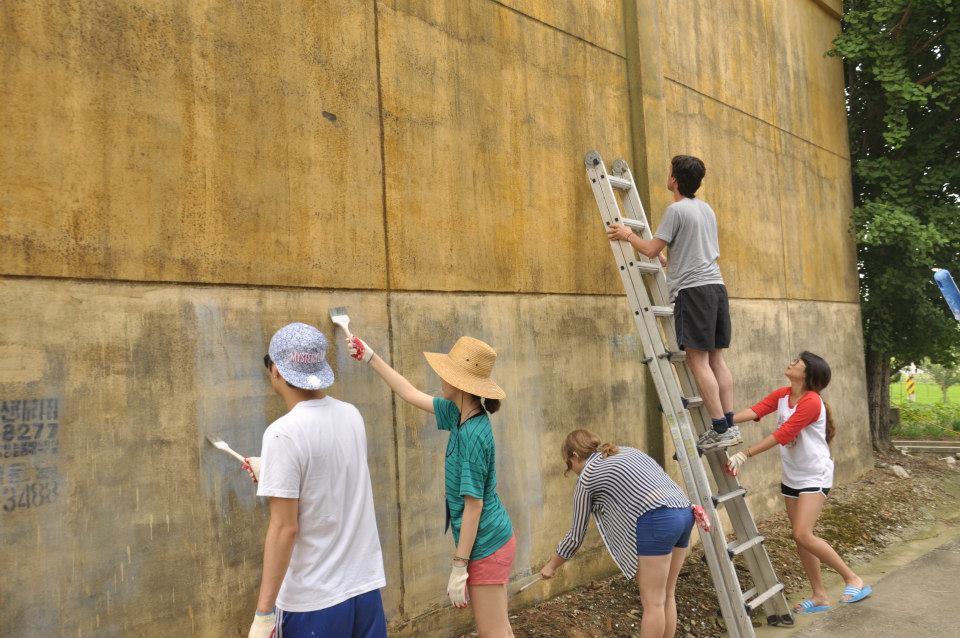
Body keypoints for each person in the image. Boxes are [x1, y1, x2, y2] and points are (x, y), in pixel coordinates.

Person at [347, 334, 516, 638]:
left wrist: (459, 565)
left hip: (487, 544)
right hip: (492, 539)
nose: (440, 376)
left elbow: (473, 505)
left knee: (493, 633)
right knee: (499, 629)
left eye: (447, 373)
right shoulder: (459, 415)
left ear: (462, 384)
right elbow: (409, 392)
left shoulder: (472, 435)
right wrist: (370, 356)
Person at [245, 322, 387, 638]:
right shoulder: (351, 415)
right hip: (364, 589)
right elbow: (332, 481)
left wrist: (263, 612)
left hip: (313, 601)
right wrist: (272, 474)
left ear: (276, 371)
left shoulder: (282, 433)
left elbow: (285, 527)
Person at [607, 155, 740, 449]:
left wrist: (628, 234)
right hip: (716, 287)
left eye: (670, 172)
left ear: (675, 181)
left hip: (693, 293)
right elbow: (693, 250)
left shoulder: (676, 211)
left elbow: (651, 250)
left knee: (697, 360)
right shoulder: (706, 210)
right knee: (717, 358)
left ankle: (718, 427)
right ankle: (729, 423)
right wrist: (673, 261)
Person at [725, 351, 871, 613]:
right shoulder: (783, 394)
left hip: (814, 475)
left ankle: (853, 578)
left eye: (798, 363)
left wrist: (744, 454)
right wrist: (722, 420)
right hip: (792, 475)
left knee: (802, 533)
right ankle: (819, 596)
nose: (791, 363)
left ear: (808, 374)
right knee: (801, 538)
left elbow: (784, 434)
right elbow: (757, 410)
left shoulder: (812, 402)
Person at [539, 429, 706, 638]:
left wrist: (551, 565)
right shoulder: (624, 451)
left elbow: (575, 536)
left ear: (575, 456)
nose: (571, 470)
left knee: (653, 602)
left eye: (568, 464)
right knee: (667, 594)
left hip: (659, 520)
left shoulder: (587, 477)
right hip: (684, 511)